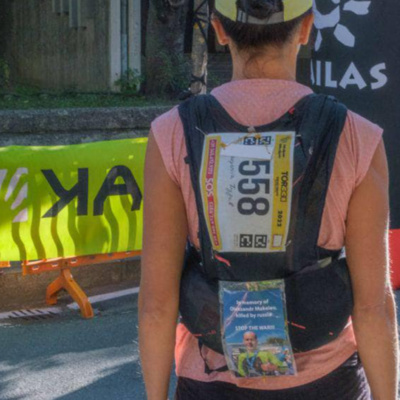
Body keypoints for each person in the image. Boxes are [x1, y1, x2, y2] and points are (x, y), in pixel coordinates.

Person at [139, 1, 399, 399]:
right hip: (330, 385)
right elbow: (373, 307)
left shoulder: (171, 133)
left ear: (219, 30)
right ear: (307, 28)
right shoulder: (357, 137)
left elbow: (157, 305)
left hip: (210, 384)